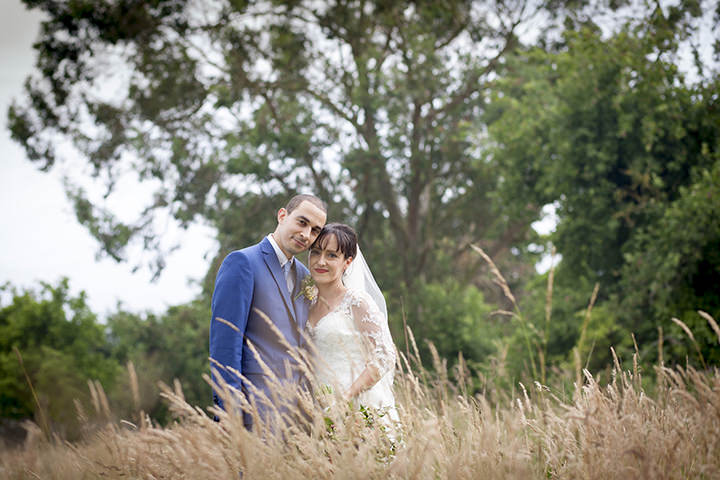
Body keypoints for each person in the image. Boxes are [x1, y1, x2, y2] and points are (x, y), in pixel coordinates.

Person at [209, 194, 327, 429]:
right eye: (302, 223)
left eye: (315, 230)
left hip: (295, 416)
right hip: (252, 409)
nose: (306, 235)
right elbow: (225, 343)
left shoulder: (306, 276)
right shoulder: (243, 263)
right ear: (282, 215)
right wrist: (230, 409)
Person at [304, 223, 398, 428]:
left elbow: (384, 356)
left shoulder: (357, 302)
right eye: (316, 252)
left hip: (356, 408)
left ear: (347, 262)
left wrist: (346, 399)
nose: (321, 261)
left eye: (331, 255)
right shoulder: (305, 304)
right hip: (316, 411)